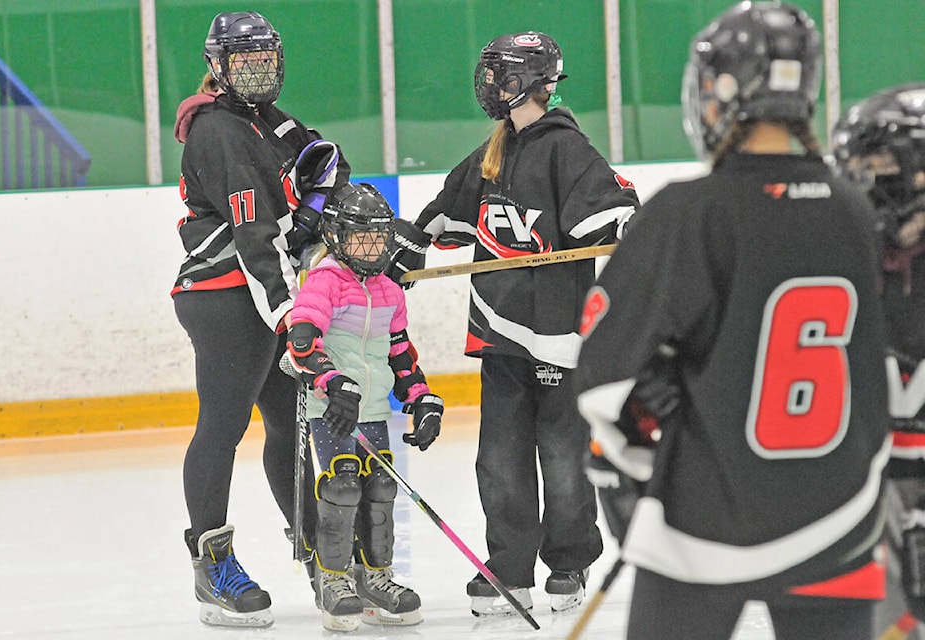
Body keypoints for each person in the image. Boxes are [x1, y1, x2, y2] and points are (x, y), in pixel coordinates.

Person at [575, 2, 892, 639]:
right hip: (844, 518)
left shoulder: (689, 211)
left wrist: (634, 453)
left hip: (703, 530)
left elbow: (606, 383)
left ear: (718, 95)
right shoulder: (856, 211)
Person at [384, 31, 638, 616]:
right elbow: (447, 211)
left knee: (562, 455)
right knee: (499, 458)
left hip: (557, 337)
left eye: (499, 76)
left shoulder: (565, 148)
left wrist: (624, 225)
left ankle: (568, 561)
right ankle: (508, 567)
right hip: (498, 331)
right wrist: (409, 245)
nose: (489, 87)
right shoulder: (494, 150)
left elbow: (610, 210)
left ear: (527, 81)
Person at [171, 11, 349, 628]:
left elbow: (329, 163)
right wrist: (293, 318)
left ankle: (321, 557)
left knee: (285, 426)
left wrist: (316, 222)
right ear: (218, 67)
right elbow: (252, 235)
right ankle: (212, 566)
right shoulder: (220, 132)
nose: (258, 71)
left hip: (268, 294)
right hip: (223, 296)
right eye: (244, 62)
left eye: (266, 60)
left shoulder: (267, 121)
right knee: (223, 427)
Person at [282, 182, 444, 631]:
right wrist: (333, 384)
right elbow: (301, 341)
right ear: (336, 236)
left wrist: (421, 399)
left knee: (380, 488)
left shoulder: (390, 290)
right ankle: (333, 580)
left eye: (378, 238)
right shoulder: (325, 279)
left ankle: (375, 576)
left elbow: (400, 353)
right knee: (342, 486)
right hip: (331, 407)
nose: (371, 248)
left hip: (372, 409)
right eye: (361, 237)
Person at [831, 83, 925, 639]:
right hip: (866, 501)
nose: (865, 188)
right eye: (857, 171)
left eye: (881, 172)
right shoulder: (839, 267)